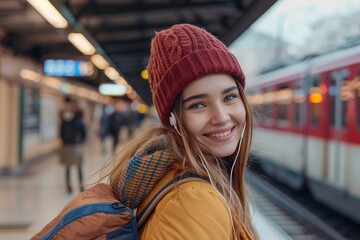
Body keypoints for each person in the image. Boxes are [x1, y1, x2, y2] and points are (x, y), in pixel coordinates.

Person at [107, 24, 259, 239]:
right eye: (198, 105)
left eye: (229, 97)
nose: (222, 117)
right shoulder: (193, 203)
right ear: (173, 118)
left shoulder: (173, 174)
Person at [59, 97, 86, 194]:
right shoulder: (78, 118)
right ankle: (81, 185)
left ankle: (68, 186)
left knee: (68, 166)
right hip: (76, 144)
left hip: (66, 144)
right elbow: (83, 132)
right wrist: (82, 140)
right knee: (79, 166)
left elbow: (61, 132)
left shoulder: (63, 117)